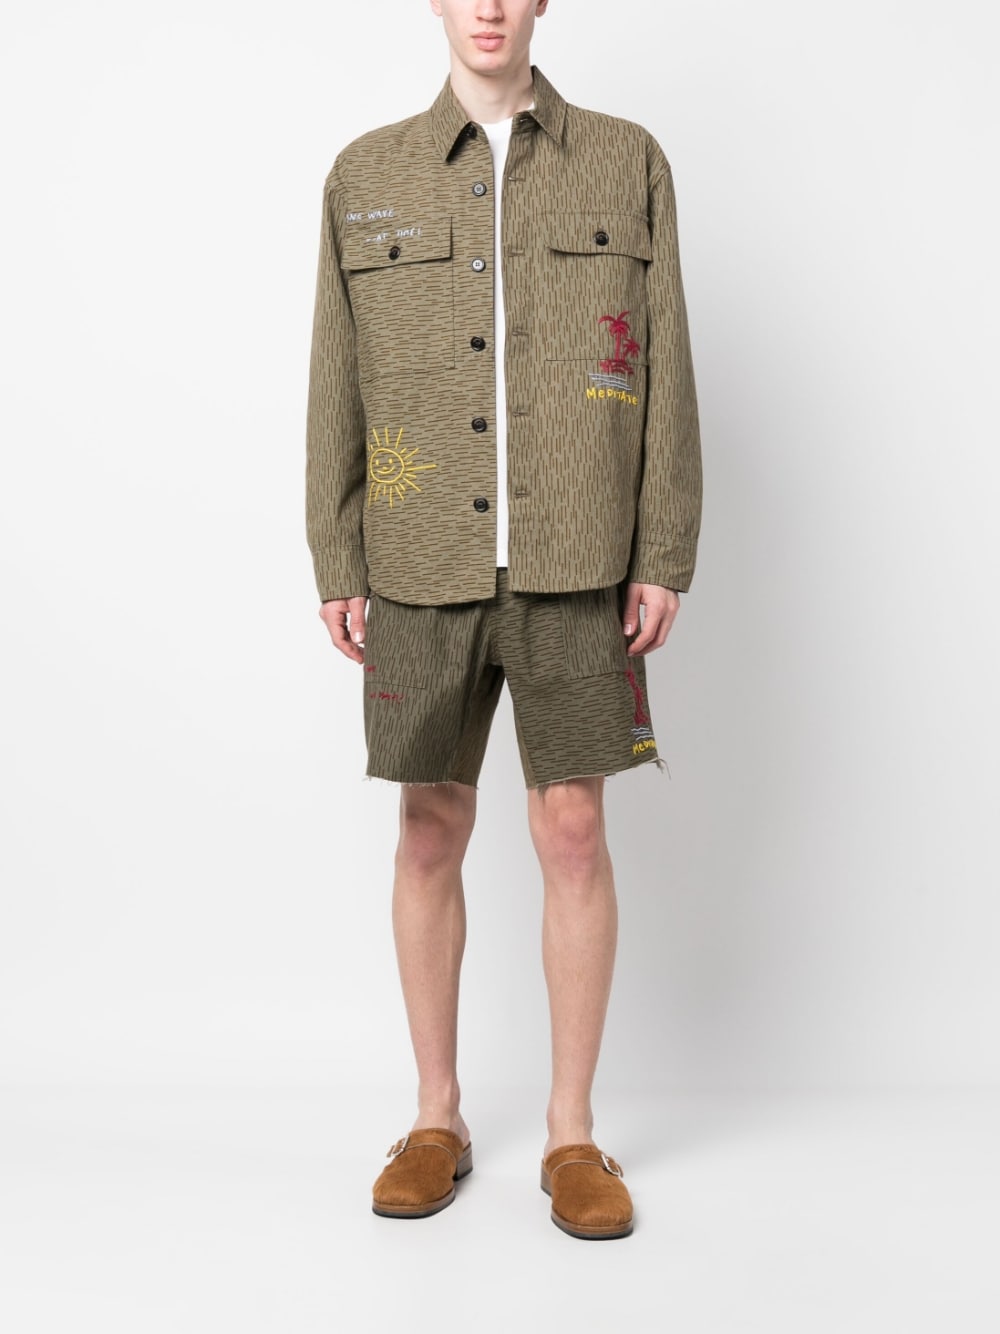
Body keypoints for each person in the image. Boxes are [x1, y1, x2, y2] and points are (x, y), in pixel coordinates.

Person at [305, 0, 701, 1241]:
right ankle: (436, 1116)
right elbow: (334, 375)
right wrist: (337, 548)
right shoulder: (364, 175)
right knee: (428, 826)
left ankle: (572, 1132)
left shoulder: (626, 160)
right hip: (417, 556)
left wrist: (663, 548)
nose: (486, 6)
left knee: (573, 829)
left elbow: (667, 363)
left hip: (576, 555)